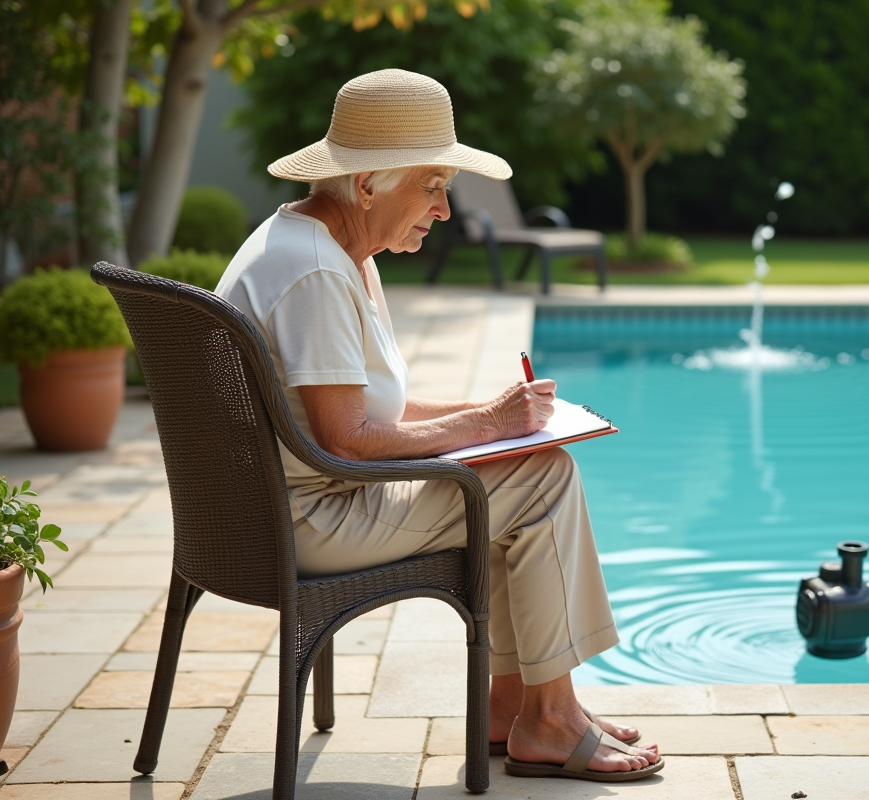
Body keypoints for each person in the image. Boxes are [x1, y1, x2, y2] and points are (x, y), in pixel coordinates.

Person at [215, 69, 662, 782]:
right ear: (368, 185)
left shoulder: (322, 246)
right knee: (543, 477)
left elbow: (365, 412)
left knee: (516, 468)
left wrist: (489, 422)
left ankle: (515, 703)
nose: (445, 210)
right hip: (313, 517)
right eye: (432, 186)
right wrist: (491, 425)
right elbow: (348, 439)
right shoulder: (316, 273)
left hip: (294, 501)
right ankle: (547, 718)